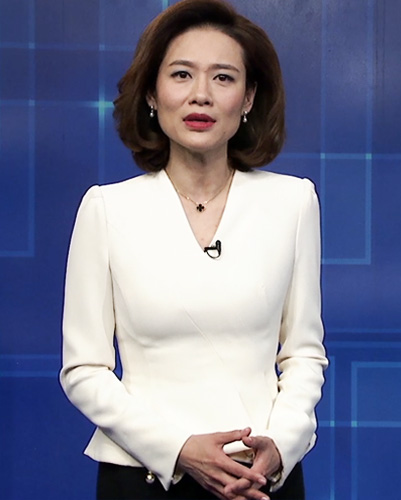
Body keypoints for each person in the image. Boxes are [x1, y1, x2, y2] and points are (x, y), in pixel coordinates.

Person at [59, 1, 327, 499]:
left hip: (259, 480)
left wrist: (281, 447)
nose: (201, 94)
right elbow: (84, 370)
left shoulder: (292, 202)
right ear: (152, 94)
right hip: (143, 478)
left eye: (223, 78)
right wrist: (177, 449)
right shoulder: (107, 209)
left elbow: (303, 353)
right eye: (181, 74)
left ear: (248, 98)